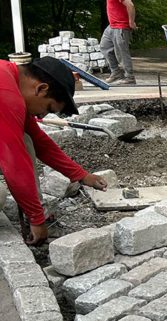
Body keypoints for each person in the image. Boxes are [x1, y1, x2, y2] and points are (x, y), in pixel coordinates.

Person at [0, 57, 109, 245]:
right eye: (48, 108)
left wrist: (80, 175)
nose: (42, 116)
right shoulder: (6, 94)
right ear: (41, 89)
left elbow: (39, 142)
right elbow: (14, 161)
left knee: (26, 138)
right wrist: (36, 218)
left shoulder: (8, 77)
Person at [101, 0, 137, 85]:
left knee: (121, 53)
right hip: (112, 25)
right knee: (104, 47)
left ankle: (130, 77)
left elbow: (130, 5)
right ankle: (116, 72)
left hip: (121, 26)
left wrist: (131, 22)